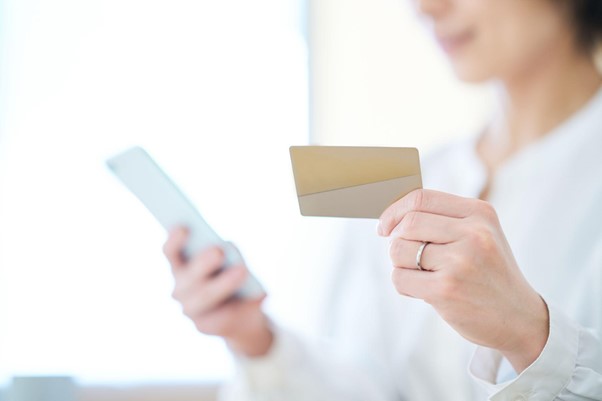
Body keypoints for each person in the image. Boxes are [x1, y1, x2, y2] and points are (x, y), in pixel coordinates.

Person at [163, 0, 602, 399]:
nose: (427, 7)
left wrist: (530, 335)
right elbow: (369, 386)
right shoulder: (418, 182)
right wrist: (256, 340)